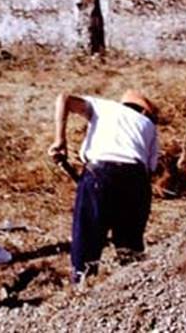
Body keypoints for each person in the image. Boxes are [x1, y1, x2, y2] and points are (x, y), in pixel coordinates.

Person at [47, 88, 159, 286]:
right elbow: (150, 170)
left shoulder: (104, 107)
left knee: (87, 236)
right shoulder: (149, 125)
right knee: (130, 243)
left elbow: (63, 97)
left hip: (99, 173)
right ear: (144, 111)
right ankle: (135, 287)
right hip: (136, 180)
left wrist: (60, 140)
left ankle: (82, 287)